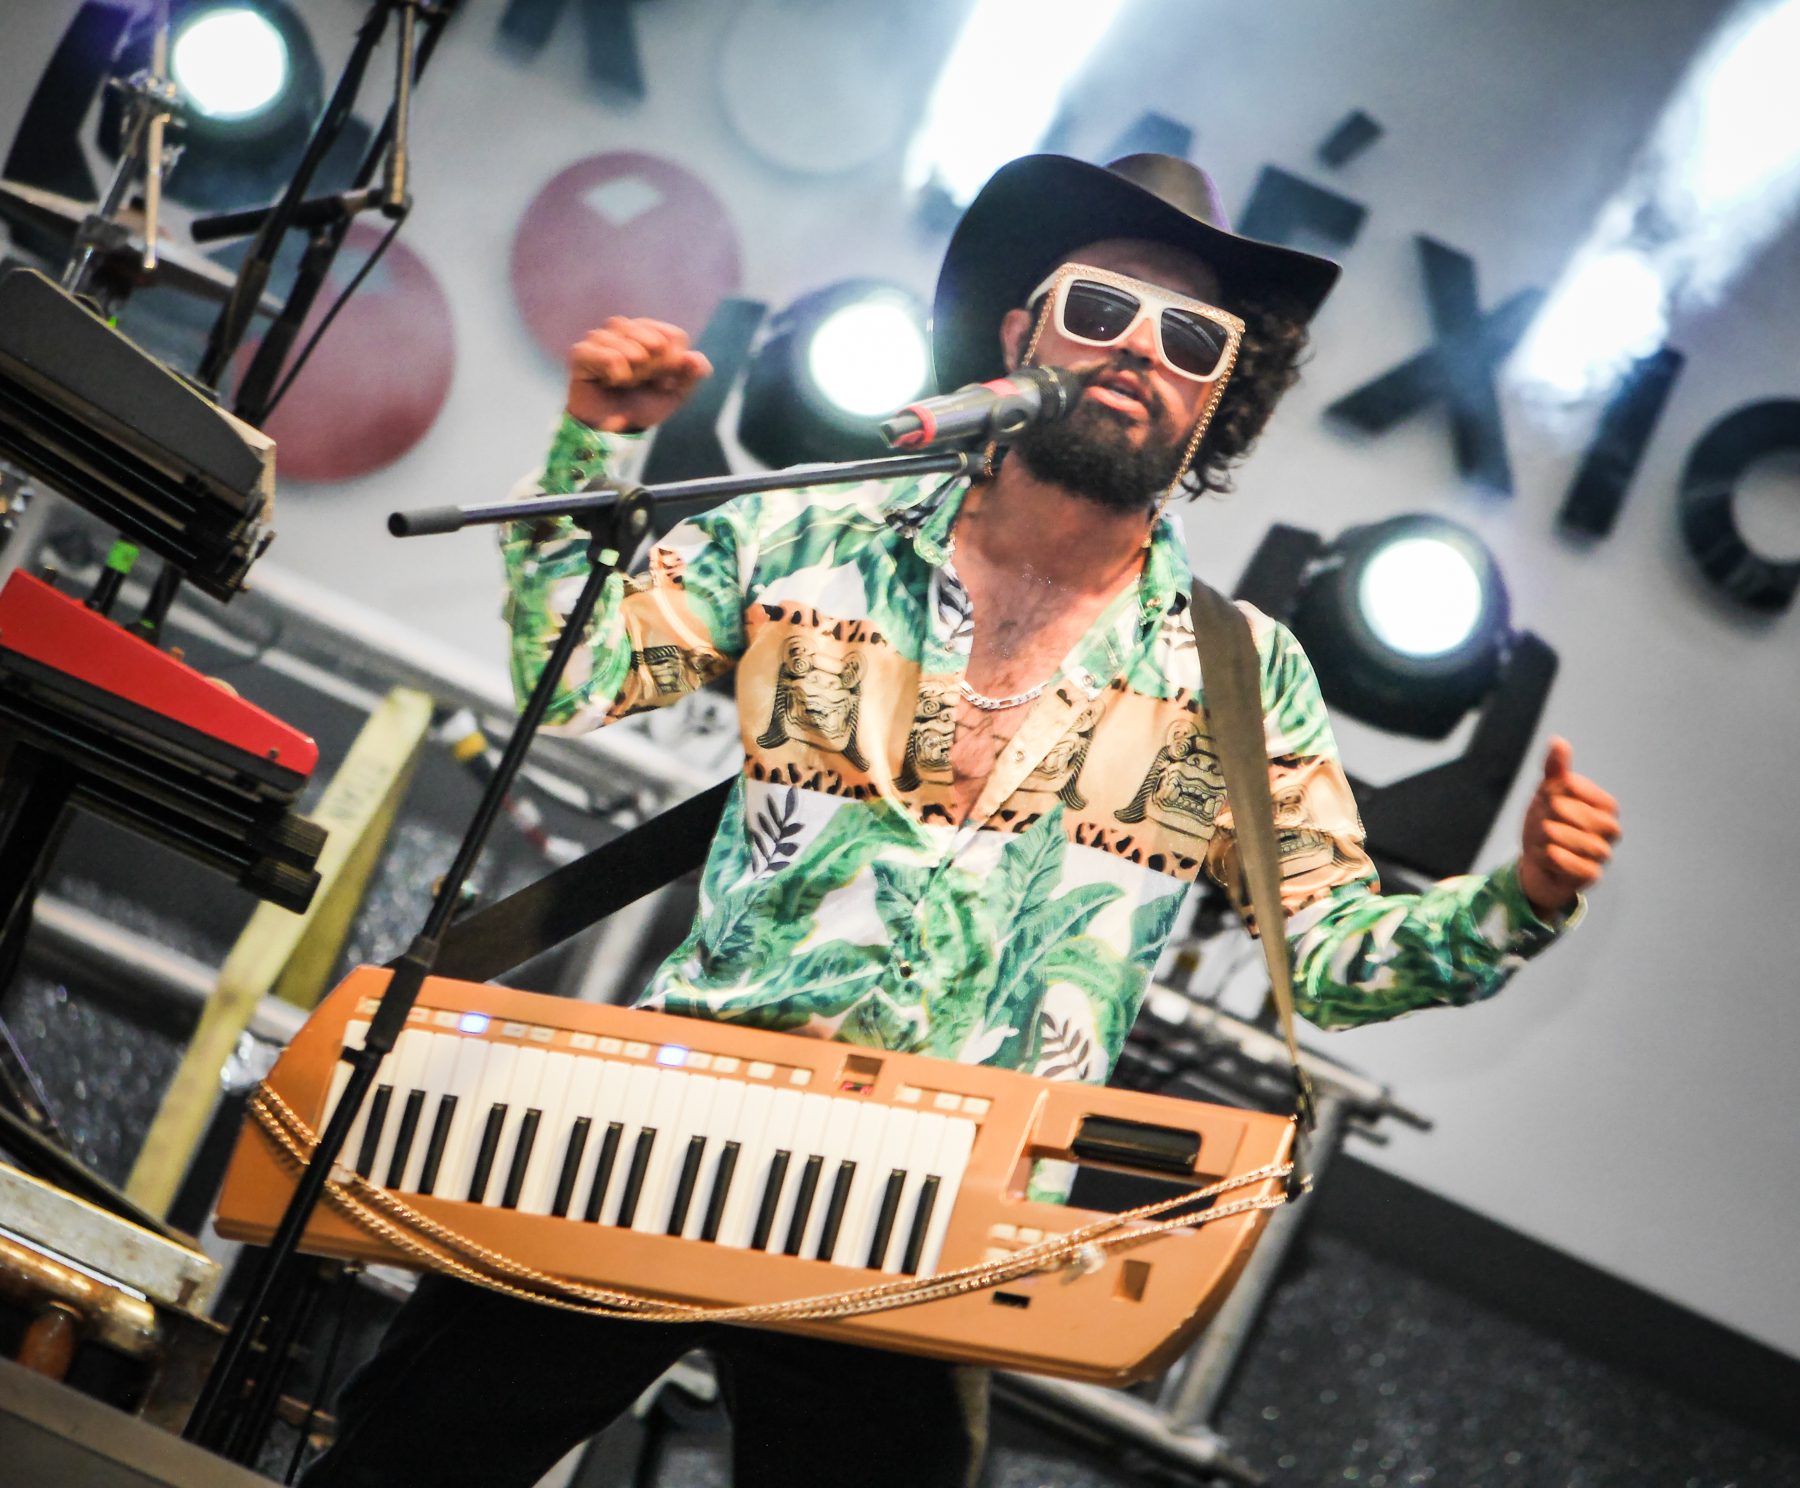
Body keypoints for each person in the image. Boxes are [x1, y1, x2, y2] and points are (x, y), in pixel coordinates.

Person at [302, 154, 1620, 1488]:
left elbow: (1330, 962)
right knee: (406, 1466)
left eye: (1189, 339)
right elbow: (575, 675)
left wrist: (1521, 898)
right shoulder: (816, 533)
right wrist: (596, 441)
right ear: (1021, 334)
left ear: (1217, 397)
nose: (1138, 351)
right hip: (682, 1125)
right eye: (1100, 310)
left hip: (938, 1208)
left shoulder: (1239, 675)